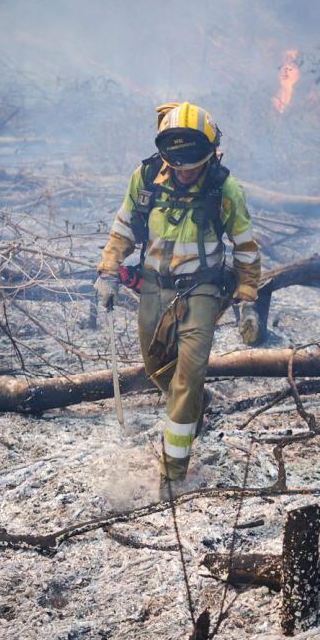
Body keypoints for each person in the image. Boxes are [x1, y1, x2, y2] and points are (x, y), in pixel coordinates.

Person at [94, 102, 261, 497]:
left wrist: (246, 301)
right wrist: (108, 271)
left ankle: (172, 476)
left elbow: (245, 248)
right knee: (157, 367)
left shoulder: (225, 189)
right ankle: (196, 403)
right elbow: (123, 229)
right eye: (179, 164)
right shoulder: (146, 178)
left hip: (202, 290)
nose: (185, 172)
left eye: (193, 164)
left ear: (209, 154)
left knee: (188, 376)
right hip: (154, 287)